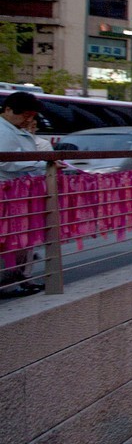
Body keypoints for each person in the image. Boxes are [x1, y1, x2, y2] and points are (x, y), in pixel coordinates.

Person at [0, 91, 46, 296]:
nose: (28, 120)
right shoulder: (3, 131)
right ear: (8, 110)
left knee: (20, 238)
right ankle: (12, 281)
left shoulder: (13, 129)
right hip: (7, 192)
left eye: (31, 116)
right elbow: (6, 161)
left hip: (18, 191)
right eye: (25, 115)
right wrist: (40, 163)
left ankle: (20, 279)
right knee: (13, 238)